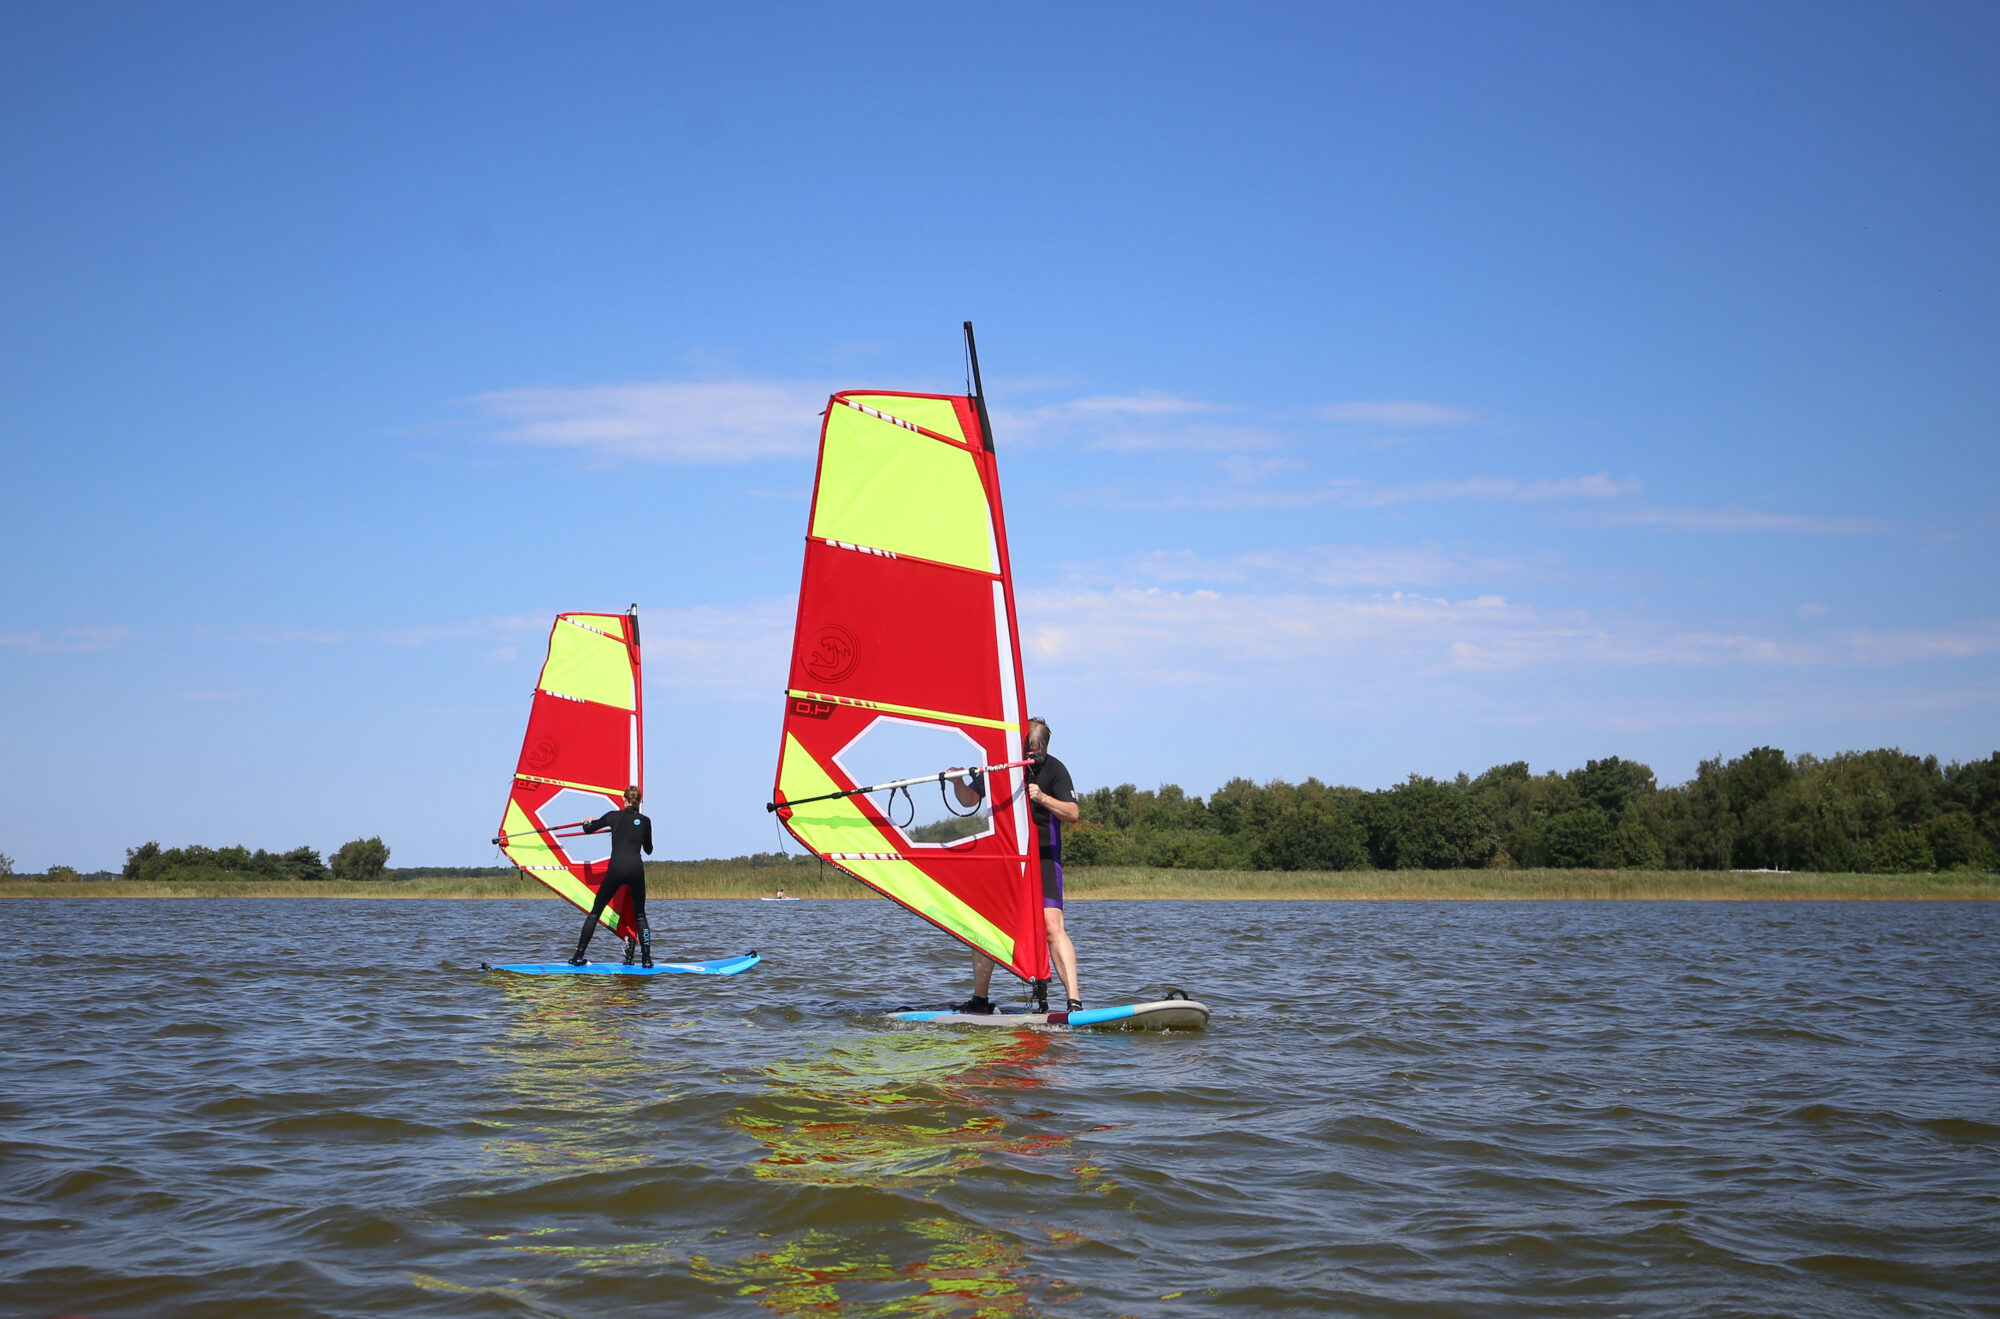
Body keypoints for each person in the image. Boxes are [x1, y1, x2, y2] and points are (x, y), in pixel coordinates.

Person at [954, 716, 1083, 1015]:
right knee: (987, 926)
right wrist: (959, 783)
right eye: (1029, 750)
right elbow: (969, 799)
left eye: (1038, 750)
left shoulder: (1055, 769)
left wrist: (1043, 797)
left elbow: (1073, 813)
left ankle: (1074, 1003)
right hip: (1007, 859)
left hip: (1043, 858)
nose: (1033, 756)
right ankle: (980, 1000)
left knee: (1052, 927)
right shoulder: (1002, 764)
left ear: (1045, 747)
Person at [568, 785, 653, 966]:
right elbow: (649, 850)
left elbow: (588, 829)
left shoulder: (613, 816)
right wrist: (639, 835)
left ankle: (578, 956)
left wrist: (586, 822)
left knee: (595, 913)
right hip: (636, 870)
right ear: (639, 801)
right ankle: (646, 959)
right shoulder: (645, 821)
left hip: (616, 869)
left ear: (624, 800)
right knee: (640, 916)